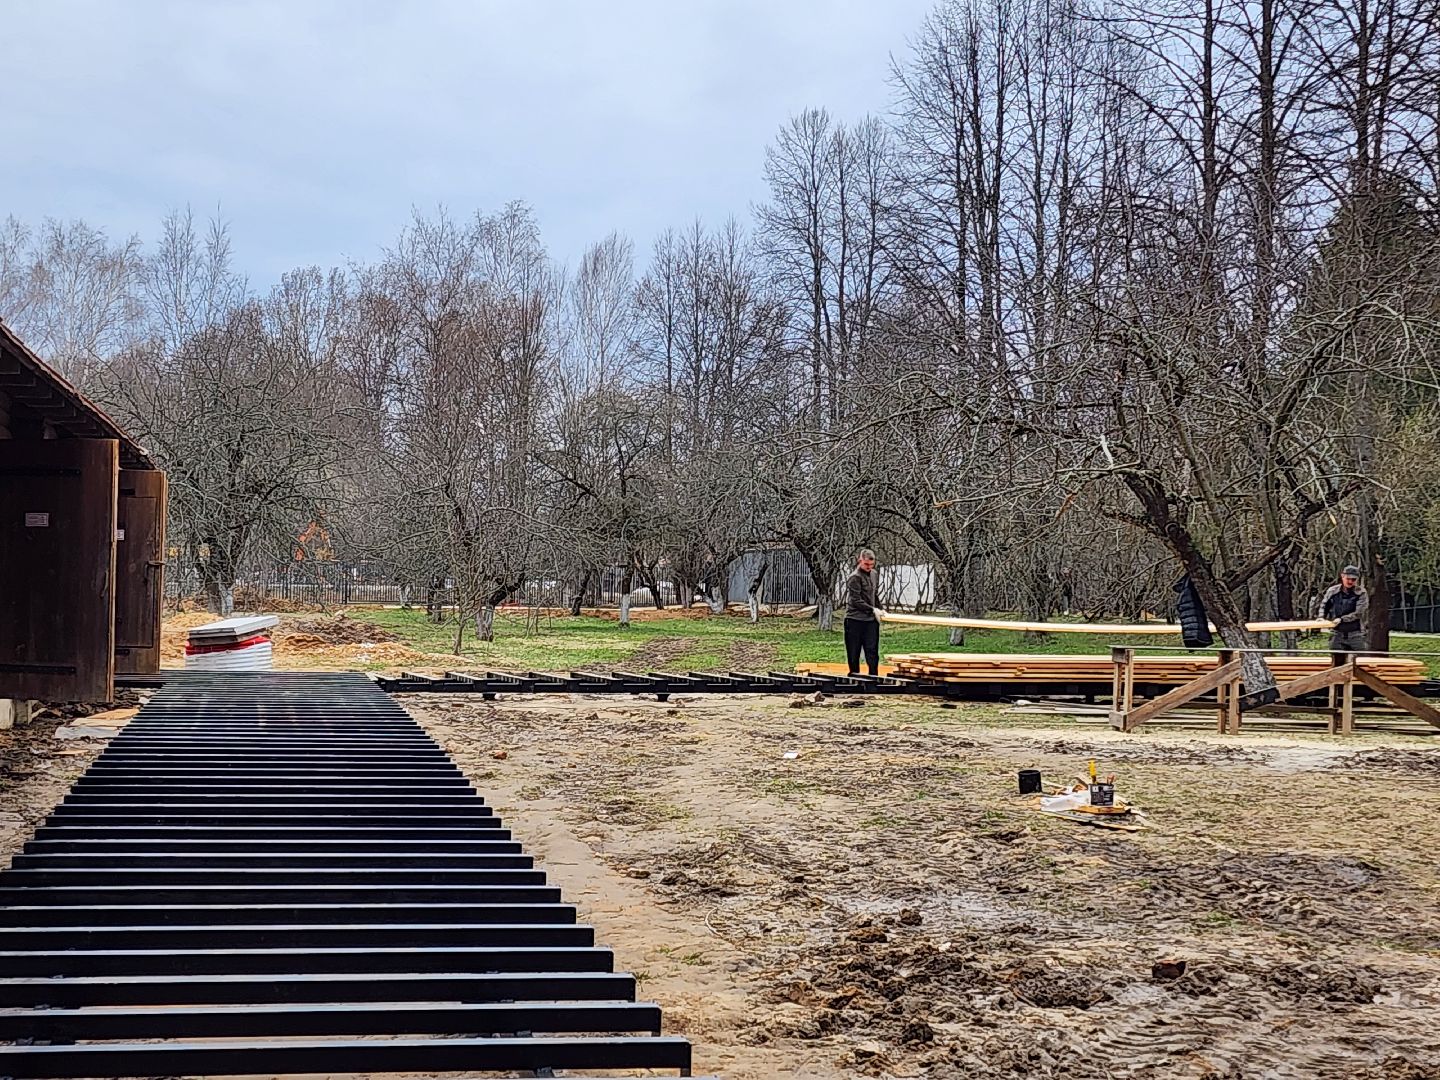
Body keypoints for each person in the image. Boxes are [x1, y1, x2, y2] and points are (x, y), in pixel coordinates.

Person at [843, 548, 886, 675]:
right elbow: (856, 600)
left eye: (871, 565)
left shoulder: (874, 574)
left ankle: (873, 677)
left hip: (870, 621)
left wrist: (880, 609)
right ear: (860, 561)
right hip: (855, 620)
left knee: (872, 651)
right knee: (854, 652)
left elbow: (874, 595)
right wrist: (872, 609)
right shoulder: (854, 577)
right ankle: (854, 677)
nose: (869, 567)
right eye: (866, 564)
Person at [1318, 565, 1369, 652]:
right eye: (1348, 578)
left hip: (1356, 633)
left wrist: (1341, 619)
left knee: (1360, 660)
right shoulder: (1332, 591)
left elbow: (1359, 613)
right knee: (1336, 660)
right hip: (1336, 633)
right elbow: (1324, 605)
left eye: (1353, 579)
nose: (1350, 581)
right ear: (1342, 576)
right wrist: (1321, 617)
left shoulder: (1361, 593)